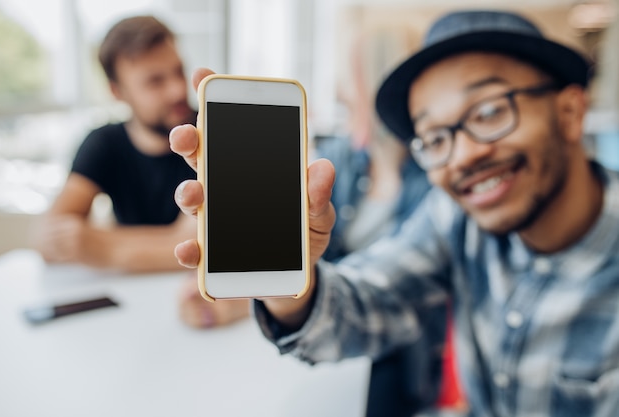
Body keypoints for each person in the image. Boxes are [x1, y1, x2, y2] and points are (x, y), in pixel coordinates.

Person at [171, 9, 619, 416]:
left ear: (569, 111)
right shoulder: (458, 217)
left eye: (488, 112)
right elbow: (371, 301)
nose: (462, 155)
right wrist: (286, 281)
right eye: (435, 137)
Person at [31, 15, 197, 273]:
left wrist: (102, 246)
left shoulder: (212, 131)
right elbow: (49, 238)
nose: (177, 90)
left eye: (178, 71)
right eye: (155, 81)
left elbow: (197, 243)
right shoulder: (103, 143)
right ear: (117, 92)